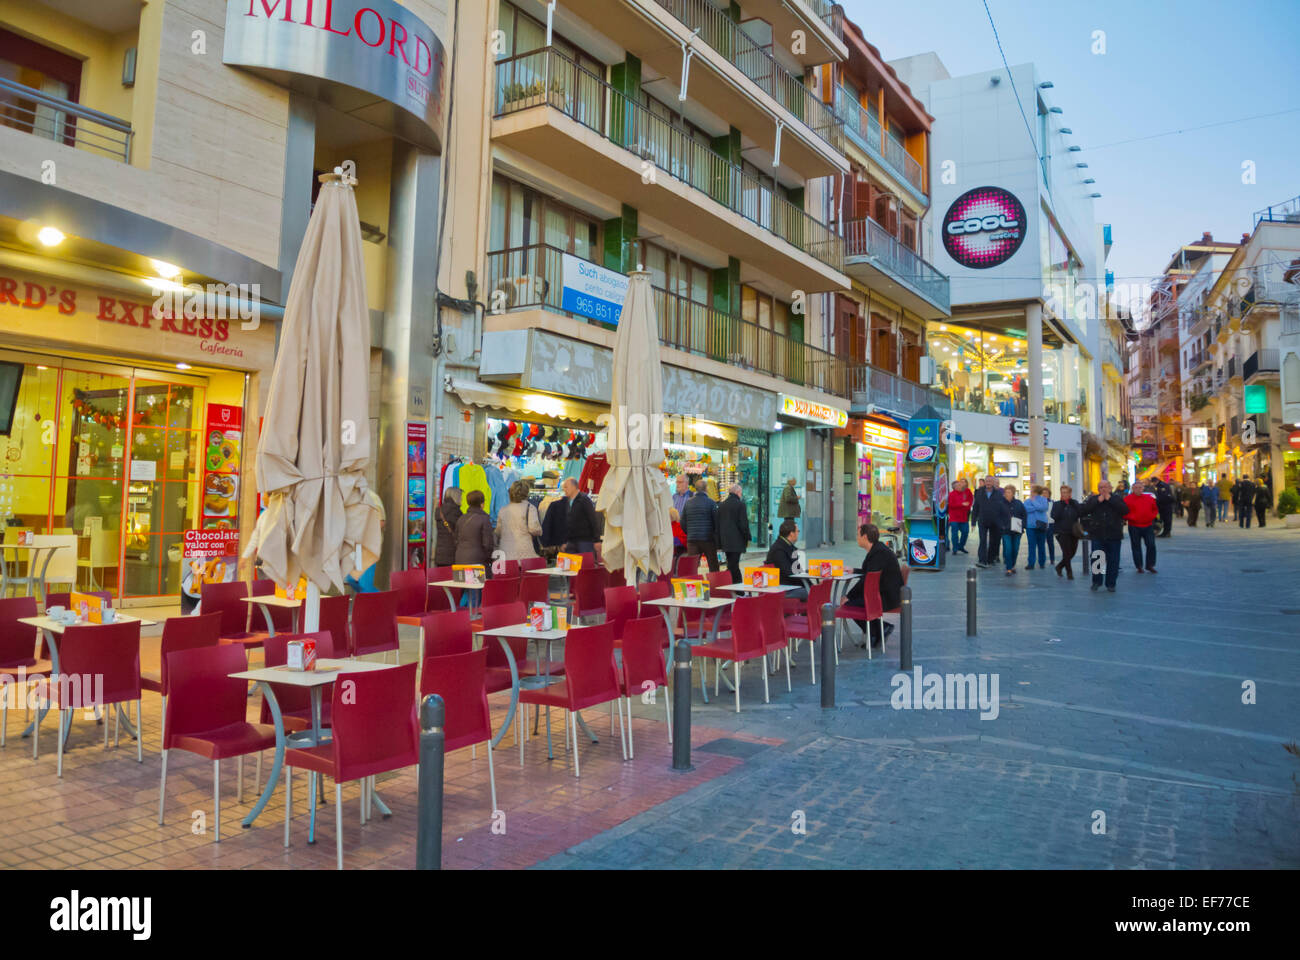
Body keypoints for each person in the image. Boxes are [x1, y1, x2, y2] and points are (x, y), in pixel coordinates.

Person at [844, 523, 903, 648]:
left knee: (849, 605)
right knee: (853, 602)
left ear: (865, 537)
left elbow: (868, 579)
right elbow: (869, 573)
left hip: (886, 597)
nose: (857, 538)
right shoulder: (877, 550)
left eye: (858, 535)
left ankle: (880, 629)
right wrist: (854, 571)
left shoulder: (879, 553)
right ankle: (877, 631)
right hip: (883, 593)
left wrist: (849, 596)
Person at [1079, 479, 1129, 592]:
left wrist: (1110, 500)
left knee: (1113, 560)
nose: (1103, 489)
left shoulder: (1116, 498)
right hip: (1097, 534)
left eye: (1106, 487)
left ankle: (1111, 583)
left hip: (1114, 535)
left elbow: (1125, 510)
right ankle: (1096, 581)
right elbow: (1084, 510)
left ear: (1110, 488)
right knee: (1097, 559)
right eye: (1101, 487)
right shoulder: (1093, 499)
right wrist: (1097, 501)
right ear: (1098, 489)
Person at [345, 488, 386, 592]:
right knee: (351, 579)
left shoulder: (371, 497)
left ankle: (376, 602)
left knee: (365, 584)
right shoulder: (352, 498)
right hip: (356, 548)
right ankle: (377, 600)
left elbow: (381, 522)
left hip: (368, 549)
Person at [495, 479, 543, 562]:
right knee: (525, 574)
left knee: (510, 574)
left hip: (505, 552)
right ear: (526, 493)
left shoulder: (503, 510)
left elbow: (498, 531)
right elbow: (534, 529)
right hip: (524, 551)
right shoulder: (530, 508)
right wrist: (540, 531)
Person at [681, 478, 720, 573]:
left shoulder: (688, 503)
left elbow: (683, 522)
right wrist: (714, 534)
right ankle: (715, 584)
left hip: (692, 540)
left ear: (695, 489)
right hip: (708, 539)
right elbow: (716, 521)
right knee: (713, 565)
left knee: (692, 566)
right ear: (706, 489)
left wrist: (689, 532)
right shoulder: (711, 503)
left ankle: (692, 586)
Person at [716, 483, 750, 583]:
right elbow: (743, 524)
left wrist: (719, 542)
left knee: (731, 564)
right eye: (741, 492)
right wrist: (747, 537)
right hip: (737, 541)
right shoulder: (740, 505)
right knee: (733, 565)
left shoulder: (721, 505)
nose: (741, 495)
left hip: (725, 541)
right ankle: (737, 587)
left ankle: (732, 585)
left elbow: (717, 525)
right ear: (737, 492)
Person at [764, 520, 807, 599]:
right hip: (783, 588)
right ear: (791, 533)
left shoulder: (788, 546)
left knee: (815, 590)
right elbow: (788, 572)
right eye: (798, 531)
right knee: (811, 592)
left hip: (790, 585)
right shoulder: (779, 550)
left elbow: (797, 570)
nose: (798, 534)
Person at [1124, 480, 1158, 574]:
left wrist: (1151, 517)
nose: (1138, 489)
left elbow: (1155, 509)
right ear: (1132, 489)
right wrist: (1131, 518)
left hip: (1148, 525)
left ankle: (1150, 565)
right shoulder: (1127, 499)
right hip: (1134, 526)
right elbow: (1124, 512)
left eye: (1140, 487)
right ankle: (1139, 566)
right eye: (1136, 488)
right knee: (1136, 546)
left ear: (1143, 488)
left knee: (1151, 545)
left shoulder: (1149, 498)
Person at [454, 489, 494, 566]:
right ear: (482, 504)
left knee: (463, 578)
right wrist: (489, 559)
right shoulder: (484, 519)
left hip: (460, 559)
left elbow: (456, 540)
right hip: (477, 560)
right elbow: (488, 544)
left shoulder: (461, 518)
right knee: (478, 578)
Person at [1051, 484, 1082, 579]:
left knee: (1072, 552)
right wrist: (1062, 505)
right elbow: (1054, 516)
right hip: (1061, 532)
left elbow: (1080, 513)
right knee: (1066, 552)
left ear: (1070, 494)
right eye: (1062, 492)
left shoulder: (1075, 503)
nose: (1063, 494)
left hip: (1073, 531)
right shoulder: (1057, 504)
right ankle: (1069, 572)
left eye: (1065, 492)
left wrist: (1074, 505)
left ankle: (1059, 566)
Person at [561, 476, 598, 554]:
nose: (564, 489)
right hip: (571, 542)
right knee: (570, 565)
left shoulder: (584, 499)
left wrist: (597, 540)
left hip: (584, 541)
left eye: (566, 487)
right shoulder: (566, 502)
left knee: (585, 564)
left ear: (573, 487)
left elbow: (593, 519)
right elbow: (566, 523)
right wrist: (564, 541)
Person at [972, 476, 1003, 569]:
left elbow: (1002, 508)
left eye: (990, 481)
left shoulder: (998, 494)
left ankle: (990, 559)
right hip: (982, 520)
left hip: (995, 521)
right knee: (983, 540)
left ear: (993, 483)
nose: (988, 483)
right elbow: (975, 507)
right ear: (985, 482)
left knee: (993, 541)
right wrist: (973, 521)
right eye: (987, 481)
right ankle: (982, 560)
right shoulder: (979, 492)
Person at [996, 485, 1027, 576]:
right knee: (1008, 549)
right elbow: (997, 517)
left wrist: (1023, 525)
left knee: (1015, 549)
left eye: (1008, 492)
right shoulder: (1000, 503)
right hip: (1006, 530)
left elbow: (1024, 515)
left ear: (1013, 493)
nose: (1006, 494)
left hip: (1017, 530)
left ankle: (1013, 565)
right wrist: (1001, 526)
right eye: (1005, 492)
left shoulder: (1018, 503)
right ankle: (1008, 568)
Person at [1023, 485, 1051, 570]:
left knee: (1041, 545)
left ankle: (1042, 562)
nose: (1030, 492)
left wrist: (1034, 502)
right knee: (1031, 545)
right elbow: (1026, 509)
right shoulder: (1027, 501)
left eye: (1031, 490)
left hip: (1041, 525)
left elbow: (1044, 508)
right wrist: (1037, 507)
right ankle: (1031, 563)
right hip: (1030, 526)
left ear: (1035, 492)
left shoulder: (1043, 499)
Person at [433, 487, 462, 566]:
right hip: (452, 553)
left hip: (439, 552)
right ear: (456, 497)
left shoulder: (439, 510)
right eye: (460, 497)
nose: (461, 499)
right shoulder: (456, 512)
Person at [947, 477, 973, 554]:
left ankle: (961, 546)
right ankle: (955, 548)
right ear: (954, 487)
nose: (960, 486)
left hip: (963, 517)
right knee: (954, 534)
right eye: (958, 485)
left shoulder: (965, 493)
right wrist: (962, 504)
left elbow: (969, 502)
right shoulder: (951, 494)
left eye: (960, 485)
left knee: (965, 532)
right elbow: (951, 505)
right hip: (954, 518)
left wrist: (967, 506)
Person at [777, 478, 801, 542]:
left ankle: (788, 540)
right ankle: (787, 539)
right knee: (789, 526)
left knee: (789, 525)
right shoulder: (788, 488)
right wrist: (797, 498)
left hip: (789, 512)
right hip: (788, 512)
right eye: (794, 480)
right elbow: (788, 498)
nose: (795, 482)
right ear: (791, 481)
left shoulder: (789, 487)